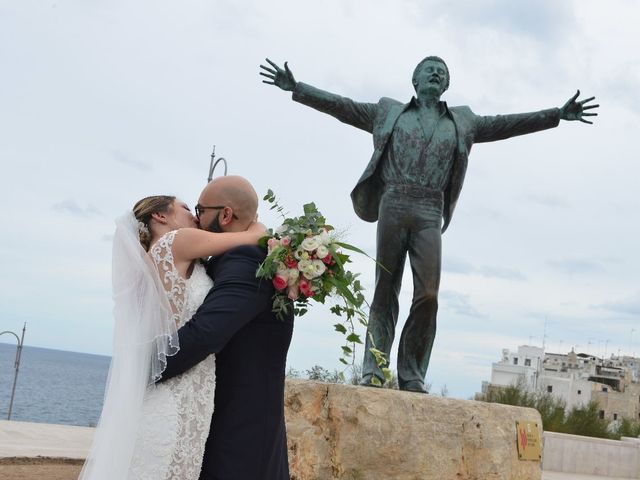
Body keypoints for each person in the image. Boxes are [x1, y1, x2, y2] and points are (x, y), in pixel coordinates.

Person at [260, 56, 598, 393]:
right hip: (393, 201)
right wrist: (298, 88)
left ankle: (411, 374)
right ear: (415, 81)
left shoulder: (463, 121)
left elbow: (507, 124)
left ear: (446, 85)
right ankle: (373, 370)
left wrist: (555, 114)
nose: (435, 73)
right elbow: (343, 106)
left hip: (429, 208)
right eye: (428, 69)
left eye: (442, 72)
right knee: (384, 288)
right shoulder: (388, 111)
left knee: (429, 294)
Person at [79, 178, 273, 479]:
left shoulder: (157, 258)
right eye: (187, 207)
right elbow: (245, 240)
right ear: (161, 216)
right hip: (178, 393)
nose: (195, 216)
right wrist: (259, 231)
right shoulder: (176, 241)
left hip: (183, 390)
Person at [160, 175, 294, 480]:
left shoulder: (247, 262)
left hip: (241, 442)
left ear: (225, 214)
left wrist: (141, 368)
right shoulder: (233, 258)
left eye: (200, 209)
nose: (195, 217)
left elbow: (205, 334)